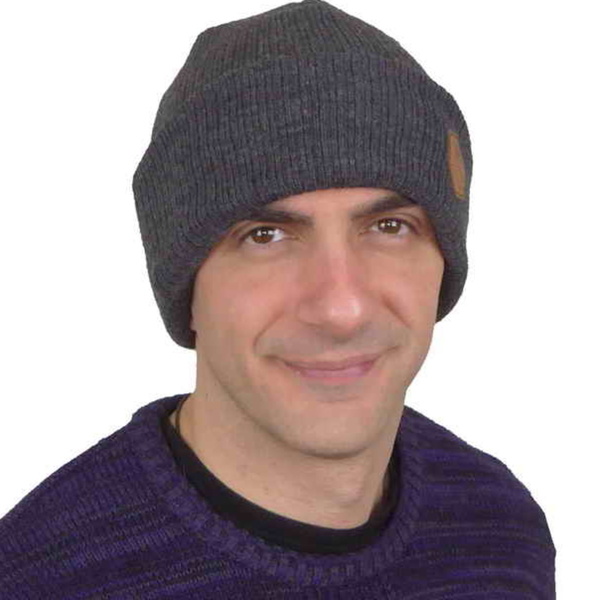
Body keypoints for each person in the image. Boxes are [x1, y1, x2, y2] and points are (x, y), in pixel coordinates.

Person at [0, 0, 556, 597]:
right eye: (265, 236)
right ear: (186, 288)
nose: (341, 309)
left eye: (389, 227)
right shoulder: (39, 578)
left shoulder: (501, 535)